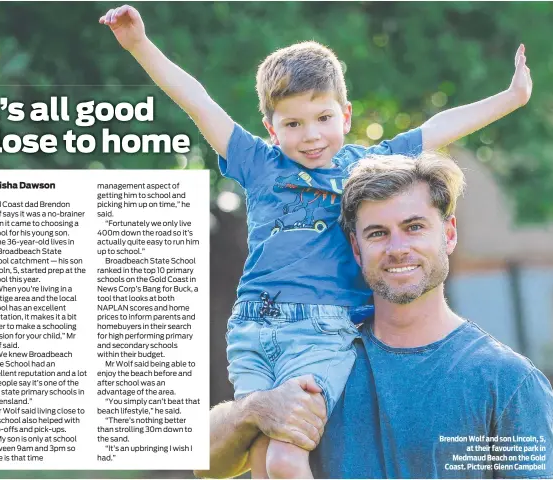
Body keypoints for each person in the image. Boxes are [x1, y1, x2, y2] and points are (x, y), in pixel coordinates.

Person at [99, 6, 534, 477]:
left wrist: (511, 98)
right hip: (252, 327)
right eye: (293, 124)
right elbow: (198, 102)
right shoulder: (260, 164)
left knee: (285, 457)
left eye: (323, 117)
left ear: (345, 114)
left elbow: (440, 128)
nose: (311, 136)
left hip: (320, 329)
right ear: (271, 128)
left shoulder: (365, 167)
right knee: (261, 457)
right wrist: (139, 45)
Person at [195, 152, 553, 479]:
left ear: (448, 233)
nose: (398, 249)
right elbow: (206, 465)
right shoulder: (313, 351)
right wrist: (254, 409)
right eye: (378, 233)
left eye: (414, 227)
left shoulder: (506, 381)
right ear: (356, 248)